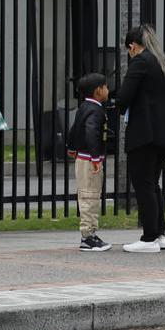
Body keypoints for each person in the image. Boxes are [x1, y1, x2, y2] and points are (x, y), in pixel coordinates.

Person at [116, 25, 165, 254]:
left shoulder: (140, 62)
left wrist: (122, 106)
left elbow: (124, 97)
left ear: (133, 46)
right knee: (152, 182)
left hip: (144, 133)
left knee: (143, 183)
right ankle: (159, 234)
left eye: (129, 50)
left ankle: (148, 237)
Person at [68, 74, 112, 253]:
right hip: (89, 160)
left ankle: (91, 234)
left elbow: (74, 128)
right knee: (90, 196)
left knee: (89, 195)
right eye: (106, 87)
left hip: (84, 157)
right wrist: (95, 157)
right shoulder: (96, 110)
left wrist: (71, 147)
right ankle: (88, 236)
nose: (108, 90)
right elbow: (91, 132)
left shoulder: (84, 107)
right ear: (98, 91)